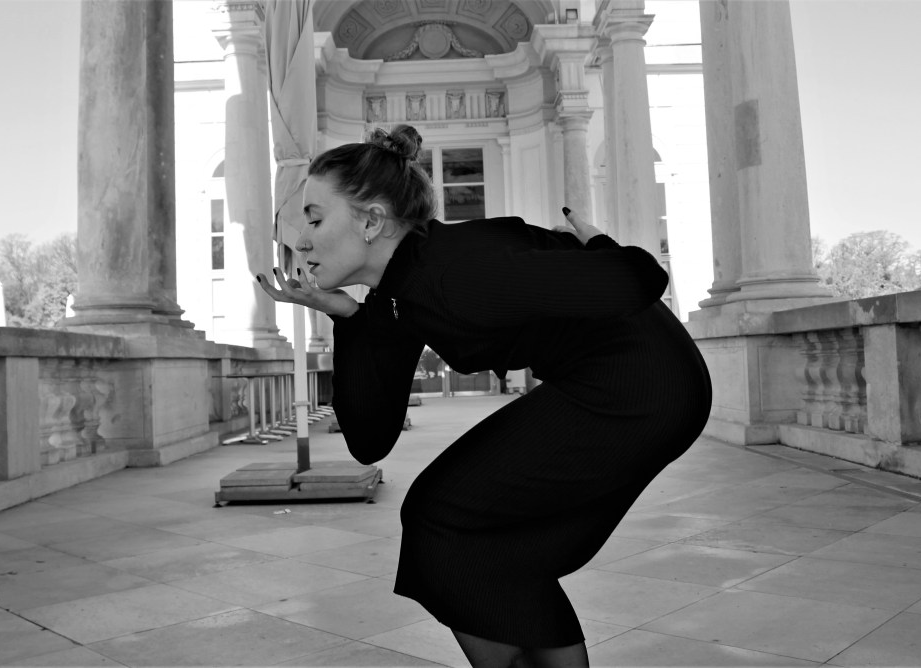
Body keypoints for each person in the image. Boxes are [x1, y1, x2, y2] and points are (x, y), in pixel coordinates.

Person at [257, 125, 712, 668]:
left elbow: (635, 279)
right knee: (482, 538)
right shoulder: (404, 290)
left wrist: (596, 242)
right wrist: (350, 316)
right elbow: (369, 437)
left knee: (443, 517)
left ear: (372, 221)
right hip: (619, 381)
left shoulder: (455, 271)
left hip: (639, 385)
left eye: (314, 219)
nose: (301, 241)